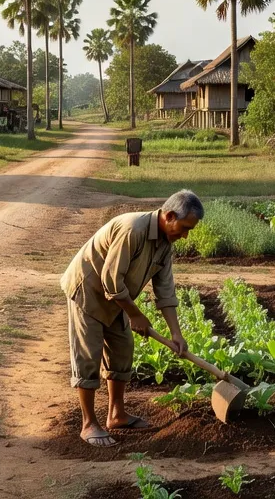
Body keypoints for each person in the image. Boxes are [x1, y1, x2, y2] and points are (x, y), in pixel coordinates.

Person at [60, 189, 204, 447]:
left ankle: (116, 415)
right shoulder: (133, 229)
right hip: (89, 292)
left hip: (116, 299)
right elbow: (110, 281)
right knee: (88, 354)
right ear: (169, 215)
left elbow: (165, 291)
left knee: (123, 348)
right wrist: (135, 314)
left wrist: (176, 334)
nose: (184, 236)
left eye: (188, 231)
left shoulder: (164, 245)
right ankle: (89, 423)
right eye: (183, 228)